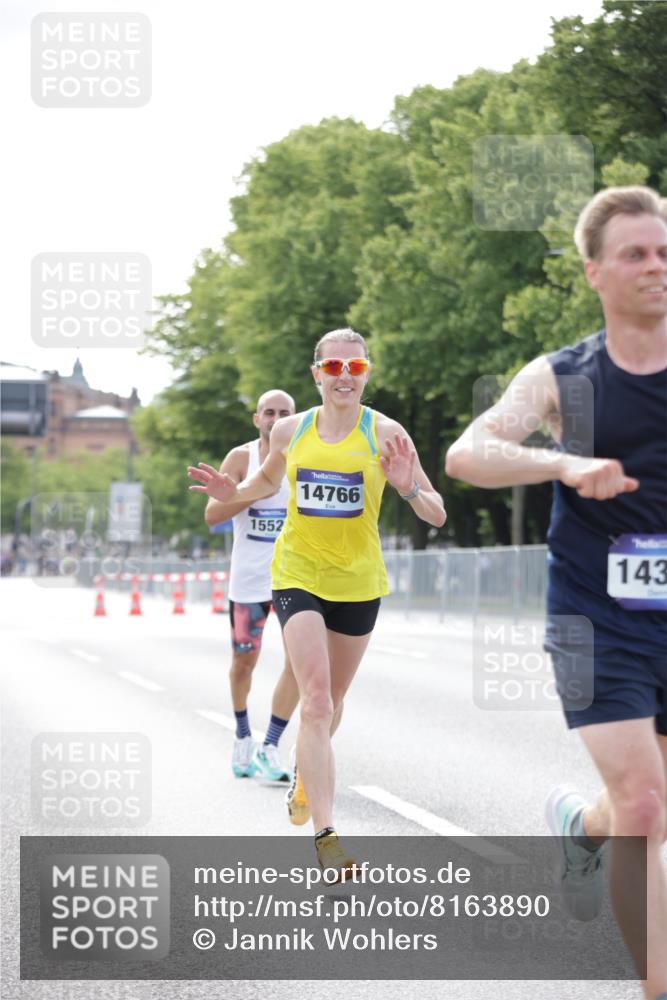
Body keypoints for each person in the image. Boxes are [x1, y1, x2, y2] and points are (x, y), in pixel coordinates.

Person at [445, 186, 667, 1000]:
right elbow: (469, 453)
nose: (656, 267)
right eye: (636, 254)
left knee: (641, 806)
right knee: (644, 806)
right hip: (593, 617)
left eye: (664, 252)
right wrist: (561, 462)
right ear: (594, 273)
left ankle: (580, 829)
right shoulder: (561, 377)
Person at [189, 329, 446, 875]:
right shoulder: (290, 430)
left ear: (367, 373)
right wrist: (227, 495)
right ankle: (327, 838)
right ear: (317, 374)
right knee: (319, 698)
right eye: (333, 367)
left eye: (354, 368)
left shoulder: (388, 433)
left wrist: (407, 487)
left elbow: (437, 513)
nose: (344, 377)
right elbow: (260, 486)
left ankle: (308, 774)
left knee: (334, 701)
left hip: (358, 582)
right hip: (296, 573)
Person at [203, 389, 300, 782]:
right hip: (249, 579)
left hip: (295, 578)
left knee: (299, 664)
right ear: (257, 419)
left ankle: (271, 744)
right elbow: (212, 516)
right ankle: (243, 735)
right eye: (269, 412)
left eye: (285, 413)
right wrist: (252, 490)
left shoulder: (305, 454)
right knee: (244, 663)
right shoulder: (242, 459)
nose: (276, 419)